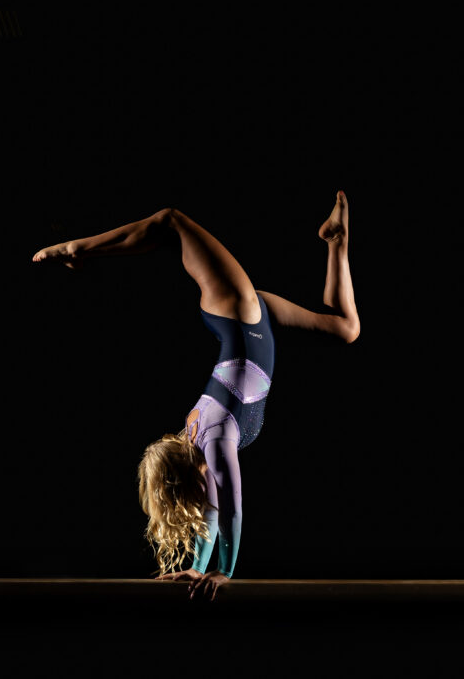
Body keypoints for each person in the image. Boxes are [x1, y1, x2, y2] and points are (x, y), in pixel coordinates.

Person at [32, 191, 360, 601]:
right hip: (252, 322)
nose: (203, 499)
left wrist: (224, 573)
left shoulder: (215, 439)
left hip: (236, 310)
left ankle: (78, 247)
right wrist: (197, 569)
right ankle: (337, 241)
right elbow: (215, 510)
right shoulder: (202, 448)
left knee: (171, 220)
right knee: (346, 329)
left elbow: (233, 508)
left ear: (189, 478)